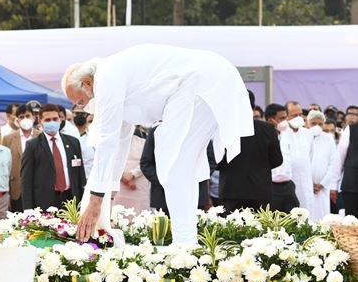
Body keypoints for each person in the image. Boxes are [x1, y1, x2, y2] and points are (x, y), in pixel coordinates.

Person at [62, 45, 253, 243]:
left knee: (174, 165)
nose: (84, 108)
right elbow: (120, 141)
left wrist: (95, 203)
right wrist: (109, 194)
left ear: (88, 82)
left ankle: (185, 245)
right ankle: (187, 242)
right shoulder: (113, 73)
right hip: (209, 79)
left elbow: (107, 142)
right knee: (181, 168)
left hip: (199, 82)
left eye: (81, 101)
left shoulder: (106, 77)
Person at [218, 92, 283, 213]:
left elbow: (217, 160)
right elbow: (277, 160)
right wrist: (261, 167)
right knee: (260, 224)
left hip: (231, 191)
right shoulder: (268, 129)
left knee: (231, 225)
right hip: (260, 190)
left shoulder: (222, 129)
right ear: (253, 108)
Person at [21, 104, 86, 210]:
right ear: (40, 121)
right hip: (45, 202)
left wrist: (83, 202)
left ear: (60, 120)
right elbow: (26, 180)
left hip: (71, 200)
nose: (52, 122)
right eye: (47, 120)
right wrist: (28, 209)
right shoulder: (32, 146)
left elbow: (80, 175)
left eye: (55, 119)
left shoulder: (73, 142)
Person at [141, 125, 215, 213]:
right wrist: (164, 181)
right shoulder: (157, 131)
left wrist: (193, 178)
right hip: (164, 195)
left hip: (195, 194)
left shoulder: (199, 129)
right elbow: (146, 163)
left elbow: (211, 160)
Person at [2, 104, 39, 212]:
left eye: (28, 116)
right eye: (21, 117)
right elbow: (4, 167)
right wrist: (6, 194)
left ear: (34, 117)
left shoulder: (41, 136)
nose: (25, 119)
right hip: (16, 189)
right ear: (17, 120)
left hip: (37, 189)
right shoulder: (8, 139)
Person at [265, 103, 299, 212]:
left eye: (286, 118)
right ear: (271, 120)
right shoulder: (263, 137)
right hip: (271, 186)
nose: (285, 122)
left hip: (288, 185)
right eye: (282, 118)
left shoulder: (288, 134)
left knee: (295, 217)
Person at [283, 101, 314, 212]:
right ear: (286, 116)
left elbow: (310, 157)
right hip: (288, 183)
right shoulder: (282, 134)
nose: (299, 117)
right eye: (294, 115)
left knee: (307, 213)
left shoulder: (308, 134)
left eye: (300, 114)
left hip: (305, 183)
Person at [113, 126, 151, 213]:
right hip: (118, 184)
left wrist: (133, 174)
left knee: (140, 214)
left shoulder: (143, 142)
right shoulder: (113, 143)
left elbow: (147, 161)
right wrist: (121, 175)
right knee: (117, 213)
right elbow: (109, 161)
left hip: (138, 184)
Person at [308, 110, 336, 221]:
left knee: (322, 220)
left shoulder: (329, 139)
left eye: (320, 124)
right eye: (313, 123)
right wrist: (308, 183)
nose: (317, 126)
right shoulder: (303, 137)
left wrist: (322, 184)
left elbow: (333, 163)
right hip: (306, 186)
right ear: (307, 123)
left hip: (323, 188)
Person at [73, 106, 95, 180]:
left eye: (83, 114)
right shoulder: (65, 133)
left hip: (89, 177)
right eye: (77, 113)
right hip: (73, 178)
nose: (79, 116)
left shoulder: (93, 136)